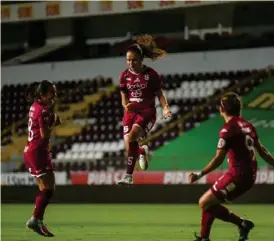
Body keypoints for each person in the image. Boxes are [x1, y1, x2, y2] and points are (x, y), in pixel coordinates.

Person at [189, 92, 274, 241]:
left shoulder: (227, 129)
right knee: (209, 203)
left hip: (237, 175)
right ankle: (205, 237)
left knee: (204, 202)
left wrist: (199, 174)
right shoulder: (248, 125)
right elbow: (263, 151)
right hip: (249, 174)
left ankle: (242, 224)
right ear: (239, 109)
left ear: (222, 110)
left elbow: (218, 160)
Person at [118, 35, 172, 185]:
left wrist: (165, 108)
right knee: (130, 147)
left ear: (141, 59)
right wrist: (126, 105)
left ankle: (128, 177)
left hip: (146, 111)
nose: (130, 63)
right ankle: (141, 151)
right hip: (130, 112)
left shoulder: (151, 75)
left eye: (134, 60)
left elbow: (159, 94)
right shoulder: (124, 76)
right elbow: (123, 94)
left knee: (132, 136)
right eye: (128, 60)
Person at [24, 80, 62, 237]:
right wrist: (54, 122)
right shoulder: (44, 111)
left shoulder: (34, 106)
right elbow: (45, 135)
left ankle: (38, 220)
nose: (54, 96)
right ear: (42, 94)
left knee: (46, 189)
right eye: (51, 93)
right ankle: (34, 219)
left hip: (32, 150)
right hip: (38, 151)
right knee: (48, 189)